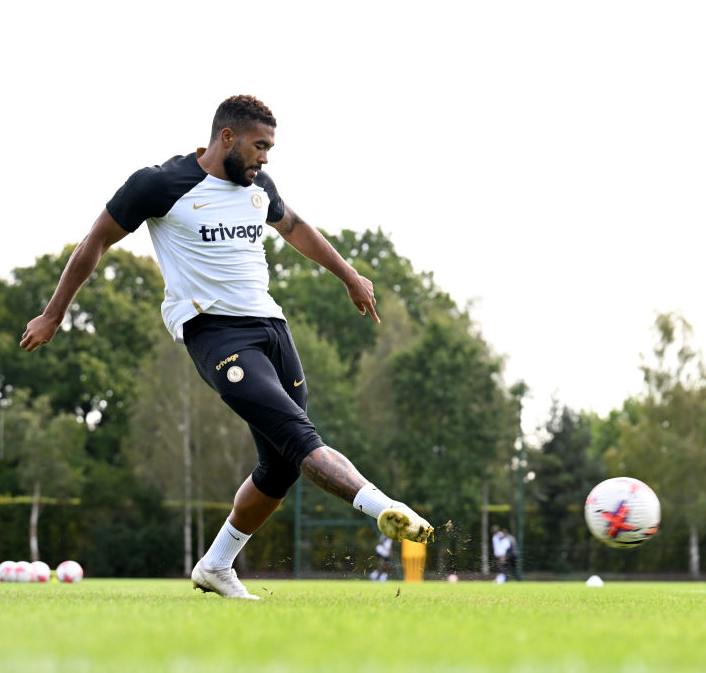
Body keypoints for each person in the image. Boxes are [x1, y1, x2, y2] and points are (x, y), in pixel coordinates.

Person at [21, 95, 434, 600]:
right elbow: (95, 243)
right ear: (227, 138)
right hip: (215, 333)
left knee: (280, 466)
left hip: (272, 329)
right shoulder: (159, 184)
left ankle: (216, 566)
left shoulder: (259, 186)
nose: (265, 158)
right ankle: (383, 508)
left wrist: (349, 275)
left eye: (270, 148)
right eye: (260, 146)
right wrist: (53, 313)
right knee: (298, 435)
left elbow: (296, 228)